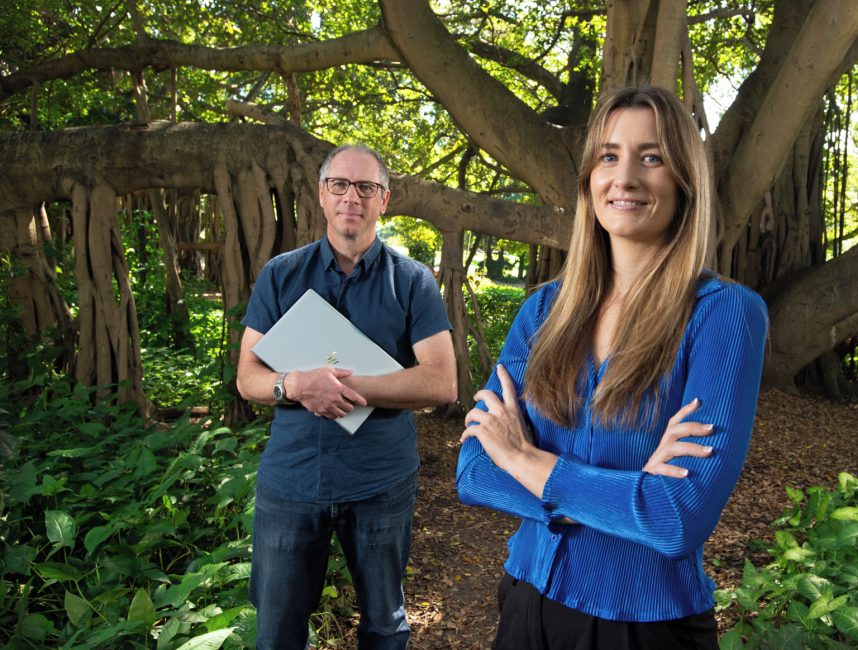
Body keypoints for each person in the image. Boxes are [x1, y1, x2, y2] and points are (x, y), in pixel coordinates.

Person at [456, 86, 768, 649]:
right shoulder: (543, 312)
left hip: (643, 627)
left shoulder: (724, 316)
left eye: (651, 157)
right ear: (588, 180)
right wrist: (628, 495)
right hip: (526, 604)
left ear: (684, 182)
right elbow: (475, 469)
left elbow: (676, 519)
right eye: (608, 155)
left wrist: (525, 458)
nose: (624, 177)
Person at [237, 144, 457, 649]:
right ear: (322, 194)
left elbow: (442, 382)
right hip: (291, 478)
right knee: (277, 627)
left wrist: (344, 387)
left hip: (380, 479)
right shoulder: (281, 274)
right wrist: (291, 384)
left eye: (366, 187)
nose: (351, 197)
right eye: (340, 184)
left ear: (385, 200)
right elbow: (248, 376)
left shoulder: (413, 282)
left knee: (384, 623)